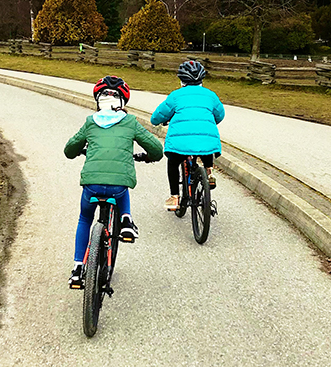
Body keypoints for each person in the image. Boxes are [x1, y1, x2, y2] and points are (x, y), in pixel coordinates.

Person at [64, 76, 163, 289]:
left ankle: (78, 267)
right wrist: (148, 157)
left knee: (85, 218)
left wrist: (80, 150)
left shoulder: (90, 122)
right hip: (118, 186)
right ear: (123, 102)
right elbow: (156, 149)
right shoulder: (131, 122)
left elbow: (69, 150)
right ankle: (126, 220)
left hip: (92, 185)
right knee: (119, 185)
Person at [150, 60, 225, 211]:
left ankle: (174, 197)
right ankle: (209, 171)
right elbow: (220, 115)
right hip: (207, 142)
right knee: (205, 144)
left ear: (181, 79)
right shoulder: (210, 95)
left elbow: (157, 117)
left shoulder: (176, 96)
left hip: (180, 143)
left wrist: (160, 122)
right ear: (202, 79)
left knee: (173, 161)